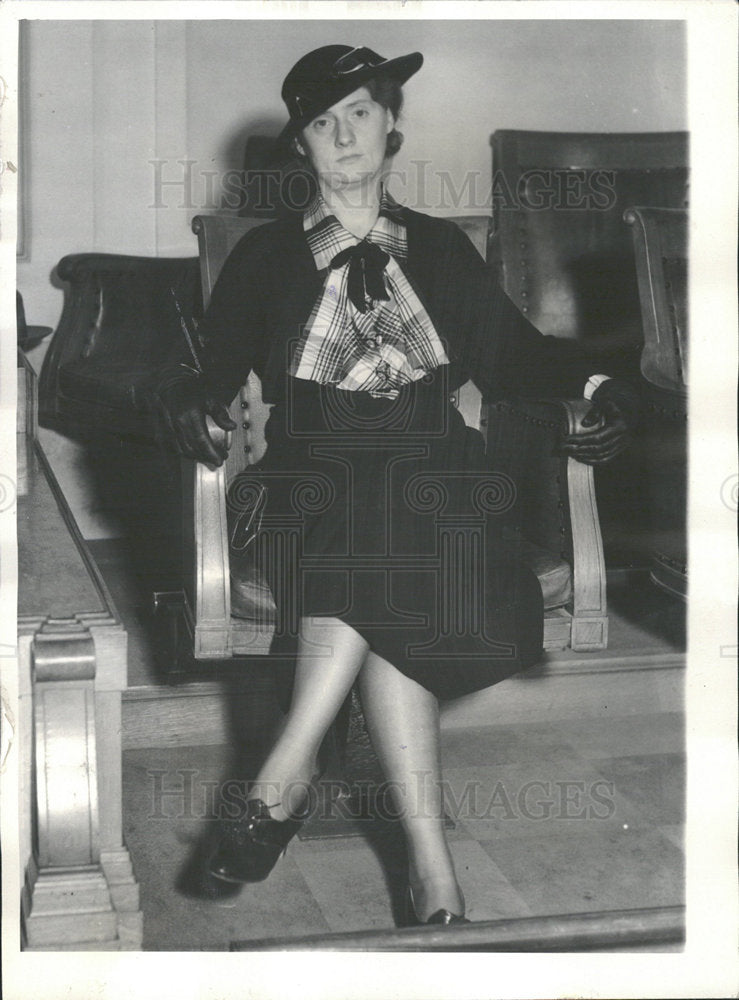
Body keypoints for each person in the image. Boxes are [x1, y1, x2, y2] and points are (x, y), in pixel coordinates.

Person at [153, 44, 641, 927]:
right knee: (382, 529)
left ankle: (279, 781)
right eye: (321, 122)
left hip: (439, 489)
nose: (343, 134)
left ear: (391, 131)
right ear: (299, 145)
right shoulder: (265, 257)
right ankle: (435, 878)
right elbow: (211, 366)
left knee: (408, 509)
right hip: (302, 488)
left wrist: (601, 386)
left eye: (360, 115)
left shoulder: (444, 250)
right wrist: (189, 399)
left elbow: (519, 357)